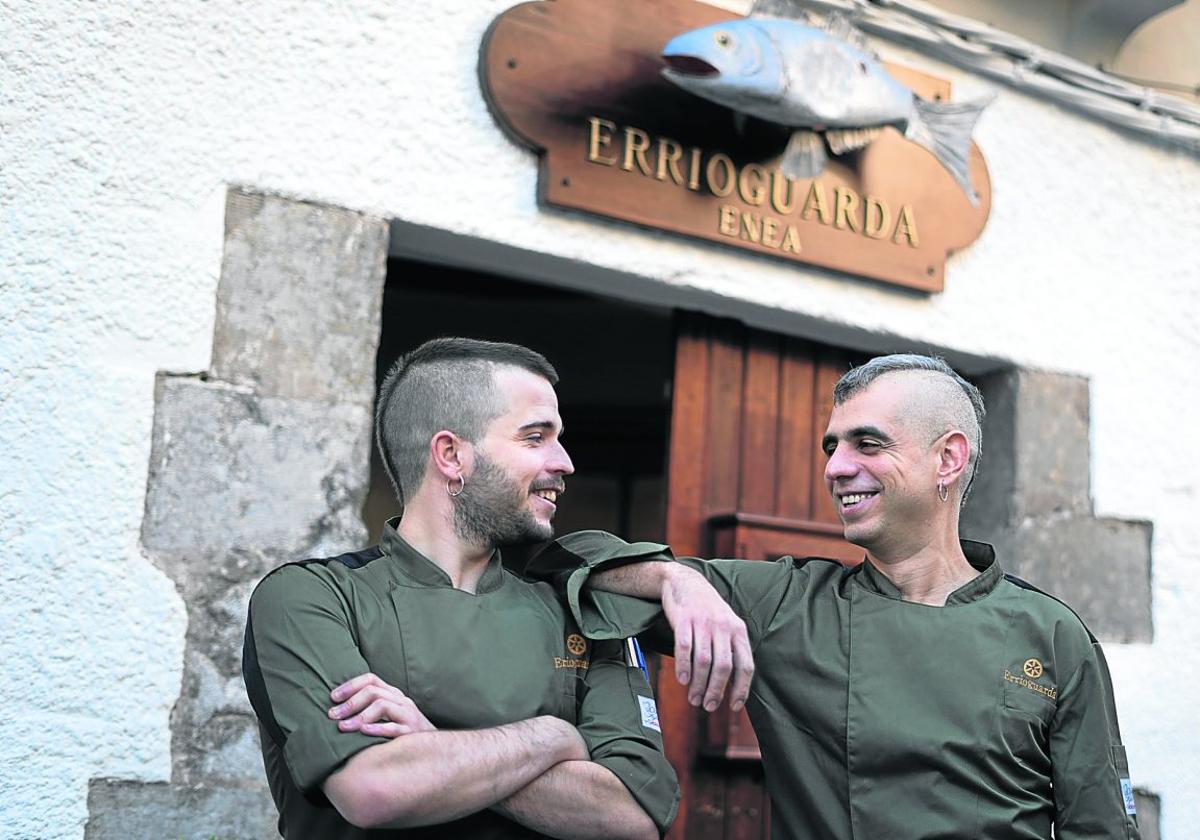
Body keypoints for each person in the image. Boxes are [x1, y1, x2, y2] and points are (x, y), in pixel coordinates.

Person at [538, 354, 1141, 839]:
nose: (834, 467)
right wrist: (677, 580)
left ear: (948, 459)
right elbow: (564, 559)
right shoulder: (786, 605)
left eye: (867, 444)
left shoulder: (1052, 633)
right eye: (832, 446)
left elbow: (1102, 827)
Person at [242, 337, 679, 839]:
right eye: (535, 437)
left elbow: (633, 816)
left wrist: (431, 742)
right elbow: (375, 789)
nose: (564, 463)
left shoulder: (581, 612)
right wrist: (553, 736)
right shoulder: (311, 598)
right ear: (451, 455)